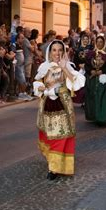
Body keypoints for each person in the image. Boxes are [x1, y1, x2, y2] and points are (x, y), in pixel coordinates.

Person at [33, 40, 85, 180]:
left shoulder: (68, 66)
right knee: (49, 133)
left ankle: (54, 168)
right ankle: (53, 161)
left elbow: (77, 82)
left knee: (61, 134)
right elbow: (37, 81)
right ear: (49, 52)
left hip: (63, 103)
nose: (57, 53)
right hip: (47, 104)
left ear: (64, 52)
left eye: (60, 50)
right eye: (54, 50)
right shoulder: (44, 67)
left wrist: (64, 68)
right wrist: (41, 87)